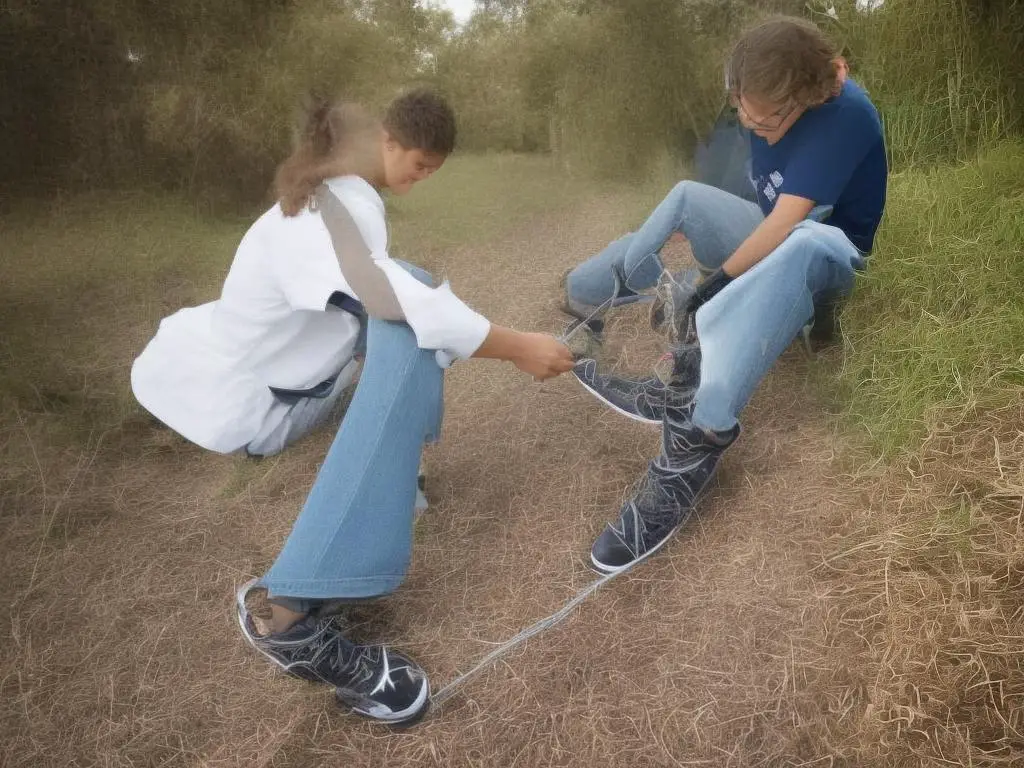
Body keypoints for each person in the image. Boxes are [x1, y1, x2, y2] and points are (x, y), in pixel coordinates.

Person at [137, 89, 575, 724]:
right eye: (419, 165)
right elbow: (394, 301)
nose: (421, 181)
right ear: (383, 141)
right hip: (261, 411)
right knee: (409, 323)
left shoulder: (340, 193)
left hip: (278, 378)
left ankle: (404, 474)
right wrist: (516, 348)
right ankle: (289, 618)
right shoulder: (324, 212)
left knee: (416, 299)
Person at [565, 17, 887, 574]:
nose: (751, 124)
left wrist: (713, 283)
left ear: (813, 95)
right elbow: (757, 193)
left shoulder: (845, 114)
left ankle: (701, 431)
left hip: (831, 261)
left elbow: (785, 222)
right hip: (774, 234)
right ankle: (637, 314)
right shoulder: (764, 105)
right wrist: (701, 238)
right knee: (688, 196)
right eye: (742, 110)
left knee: (805, 241)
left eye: (766, 119)